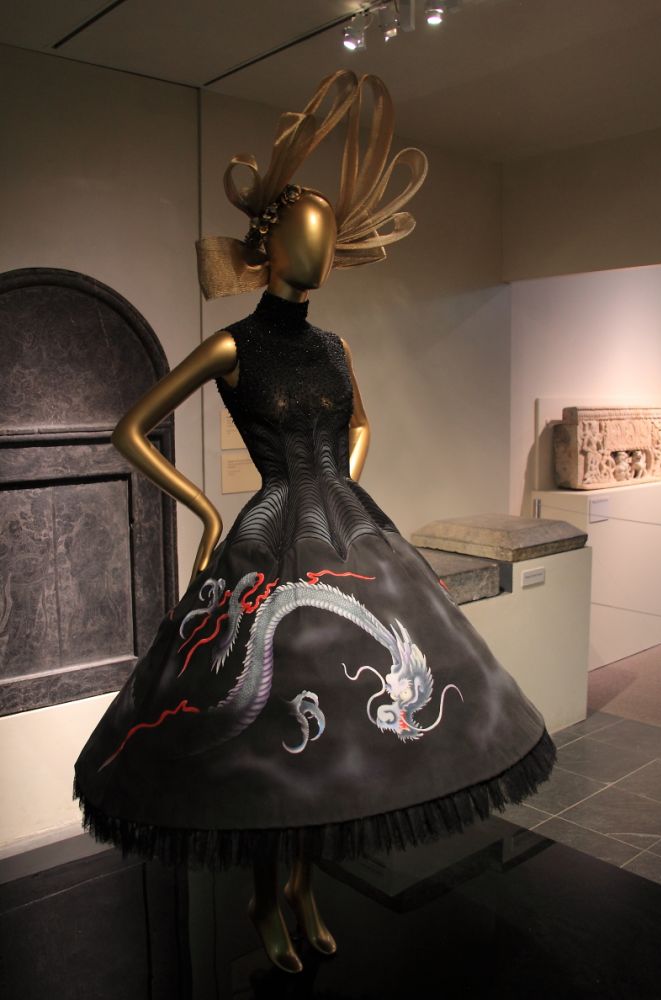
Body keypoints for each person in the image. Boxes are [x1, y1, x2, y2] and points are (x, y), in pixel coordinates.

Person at [74, 71, 555, 974]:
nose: (319, 252)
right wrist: (206, 511)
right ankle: (266, 895)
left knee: (335, 721)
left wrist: (340, 486)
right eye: (305, 234)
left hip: (344, 524)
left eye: (328, 239)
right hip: (269, 536)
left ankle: (301, 889)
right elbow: (132, 429)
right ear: (269, 245)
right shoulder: (233, 344)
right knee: (269, 729)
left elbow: (360, 423)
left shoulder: (334, 348)